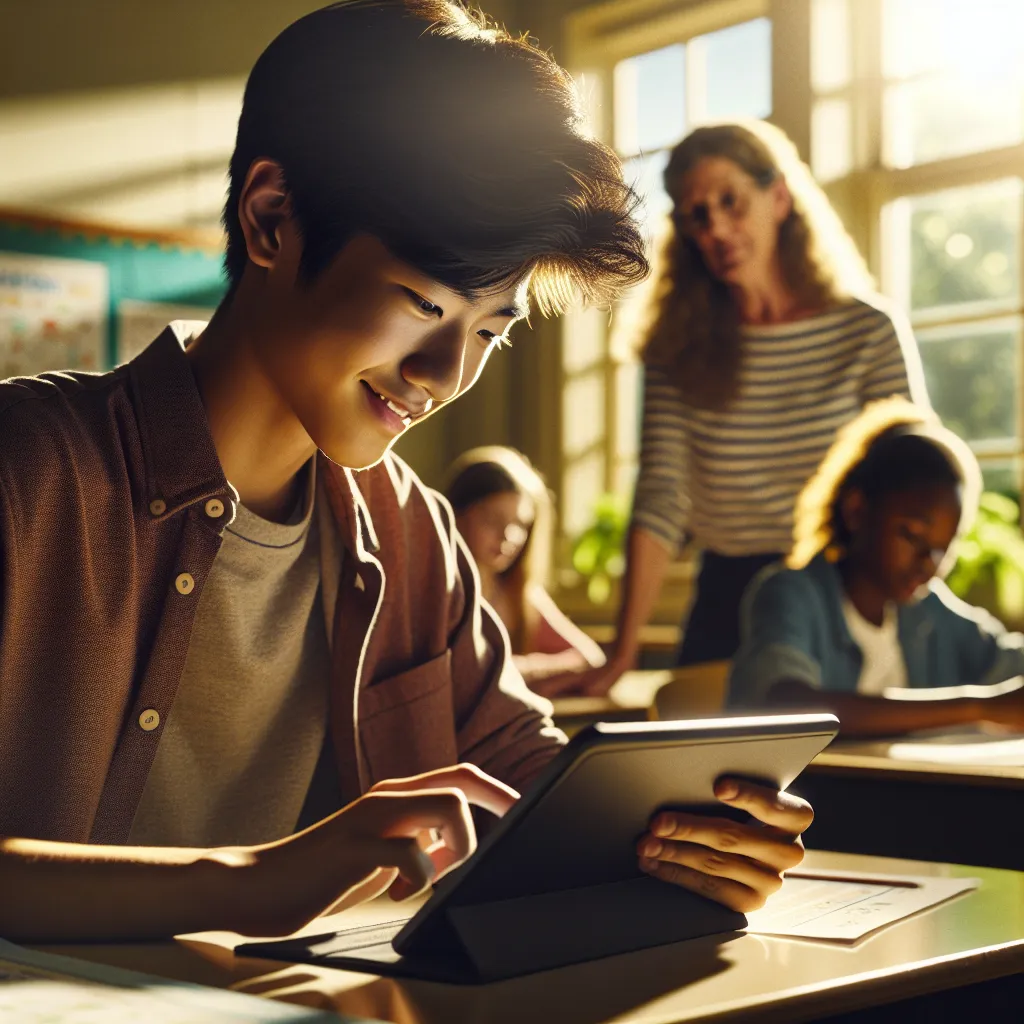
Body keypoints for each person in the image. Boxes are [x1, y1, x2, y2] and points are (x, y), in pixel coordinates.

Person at [0, 2, 815, 944]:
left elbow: (522, 768)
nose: (445, 375)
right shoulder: (28, 475)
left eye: (488, 332)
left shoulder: (416, 531)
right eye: (420, 301)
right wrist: (244, 882)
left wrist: (684, 835)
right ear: (273, 219)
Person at [565, 120, 927, 698]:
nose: (717, 229)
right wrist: (623, 649)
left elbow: (914, 480)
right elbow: (661, 497)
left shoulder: (868, 332)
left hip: (839, 600)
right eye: (696, 215)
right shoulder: (674, 349)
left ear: (779, 197)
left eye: (731, 201)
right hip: (725, 602)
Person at [730, 397, 1024, 735]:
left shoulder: (924, 610)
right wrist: (981, 707)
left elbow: (1007, 658)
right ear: (856, 511)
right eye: (912, 536)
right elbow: (784, 708)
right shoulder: (791, 593)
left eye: (943, 550)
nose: (928, 566)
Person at [445, 446, 605, 690]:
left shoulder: (517, 593)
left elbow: (591, 660)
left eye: (520, 524)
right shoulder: (437, 593)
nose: (507, 535)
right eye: (492, 519)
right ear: (454, 515)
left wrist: (518, 669)